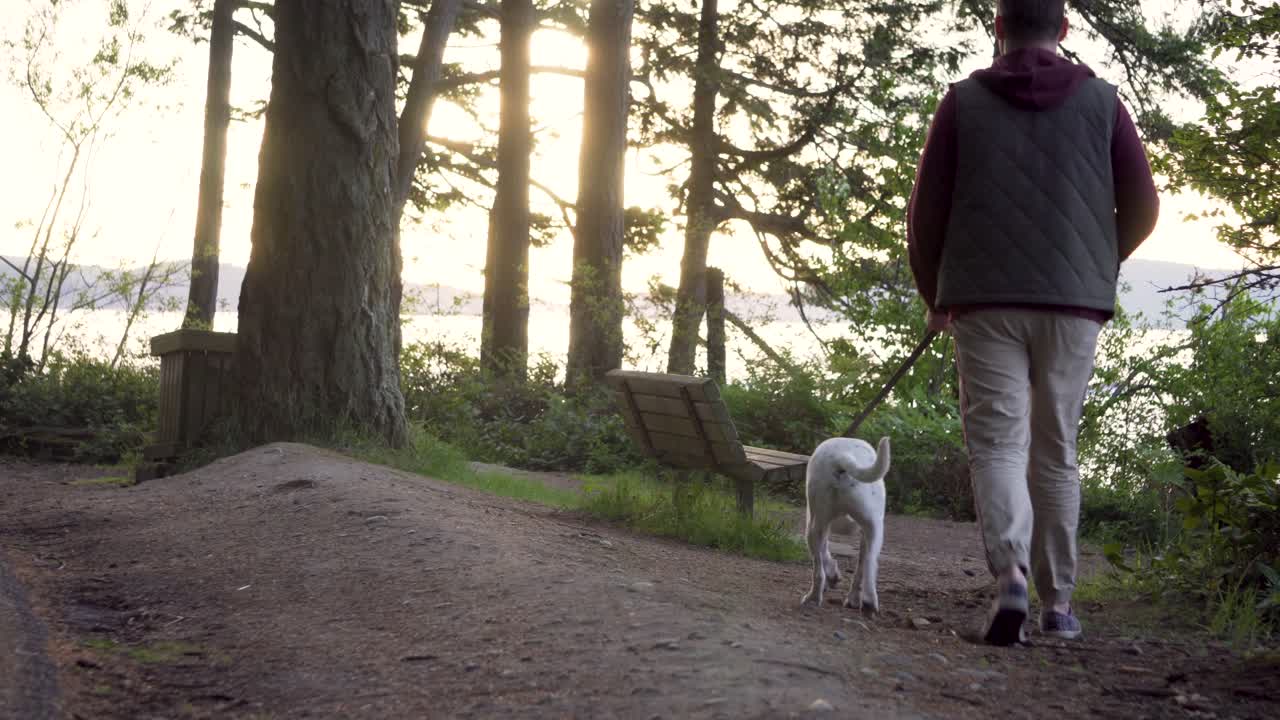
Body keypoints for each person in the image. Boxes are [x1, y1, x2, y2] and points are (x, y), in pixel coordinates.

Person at [906, 0, 1159, 645]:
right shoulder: (1104, 102)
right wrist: (1096, 261)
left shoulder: (962, 102)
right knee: (1057, 450)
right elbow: (1143, 204)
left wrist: (934, 294)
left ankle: (1011, 572)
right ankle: (1059, 605)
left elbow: (926, 213)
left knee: (997, 444)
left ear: (999, 29)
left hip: (985, 301)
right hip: (1074, 304)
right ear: (1063, 31)